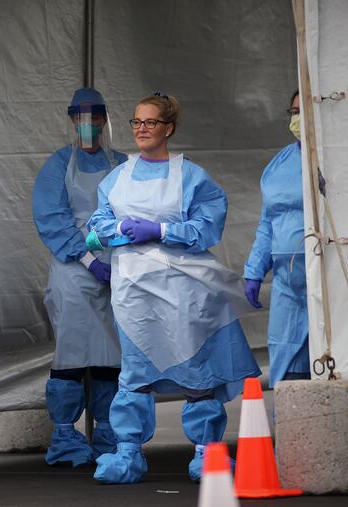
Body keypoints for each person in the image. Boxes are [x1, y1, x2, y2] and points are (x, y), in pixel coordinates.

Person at [87, 92, 260, 483]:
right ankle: (128, 452)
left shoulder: (192, 176)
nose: (141, 129)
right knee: (135, 369)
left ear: (169, 128)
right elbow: (96, 227)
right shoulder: (117, 177)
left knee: (195, 368)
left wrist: (160, 229)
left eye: (150, 122)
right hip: (132, 288)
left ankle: (206, 453)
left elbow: (207, 227)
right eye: (136, 122)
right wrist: (114, 231)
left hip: (184, 288)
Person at [32, 88, 126, 467]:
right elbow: (52, 219)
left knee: (111, 354)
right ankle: (66, 437)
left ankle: (109, 431)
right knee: (72, 352)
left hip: (117, 270)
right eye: (81, 117)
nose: (88, 124)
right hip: (73, 271)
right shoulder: (58, 165)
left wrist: (117, 259)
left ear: (105, 119)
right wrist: (89, 259)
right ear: (72, 119)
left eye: (95, 117)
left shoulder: (121, 164)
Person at [243, 91, 311, 387]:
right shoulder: (278, 164)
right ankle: (290, 426)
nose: (297, 118)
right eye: (293, 111)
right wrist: (254, 270)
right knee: (285, 351)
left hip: (326, 277)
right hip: (287, 280)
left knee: (330, 352)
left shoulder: (336, 158)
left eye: (304, 110)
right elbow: (268, 222)